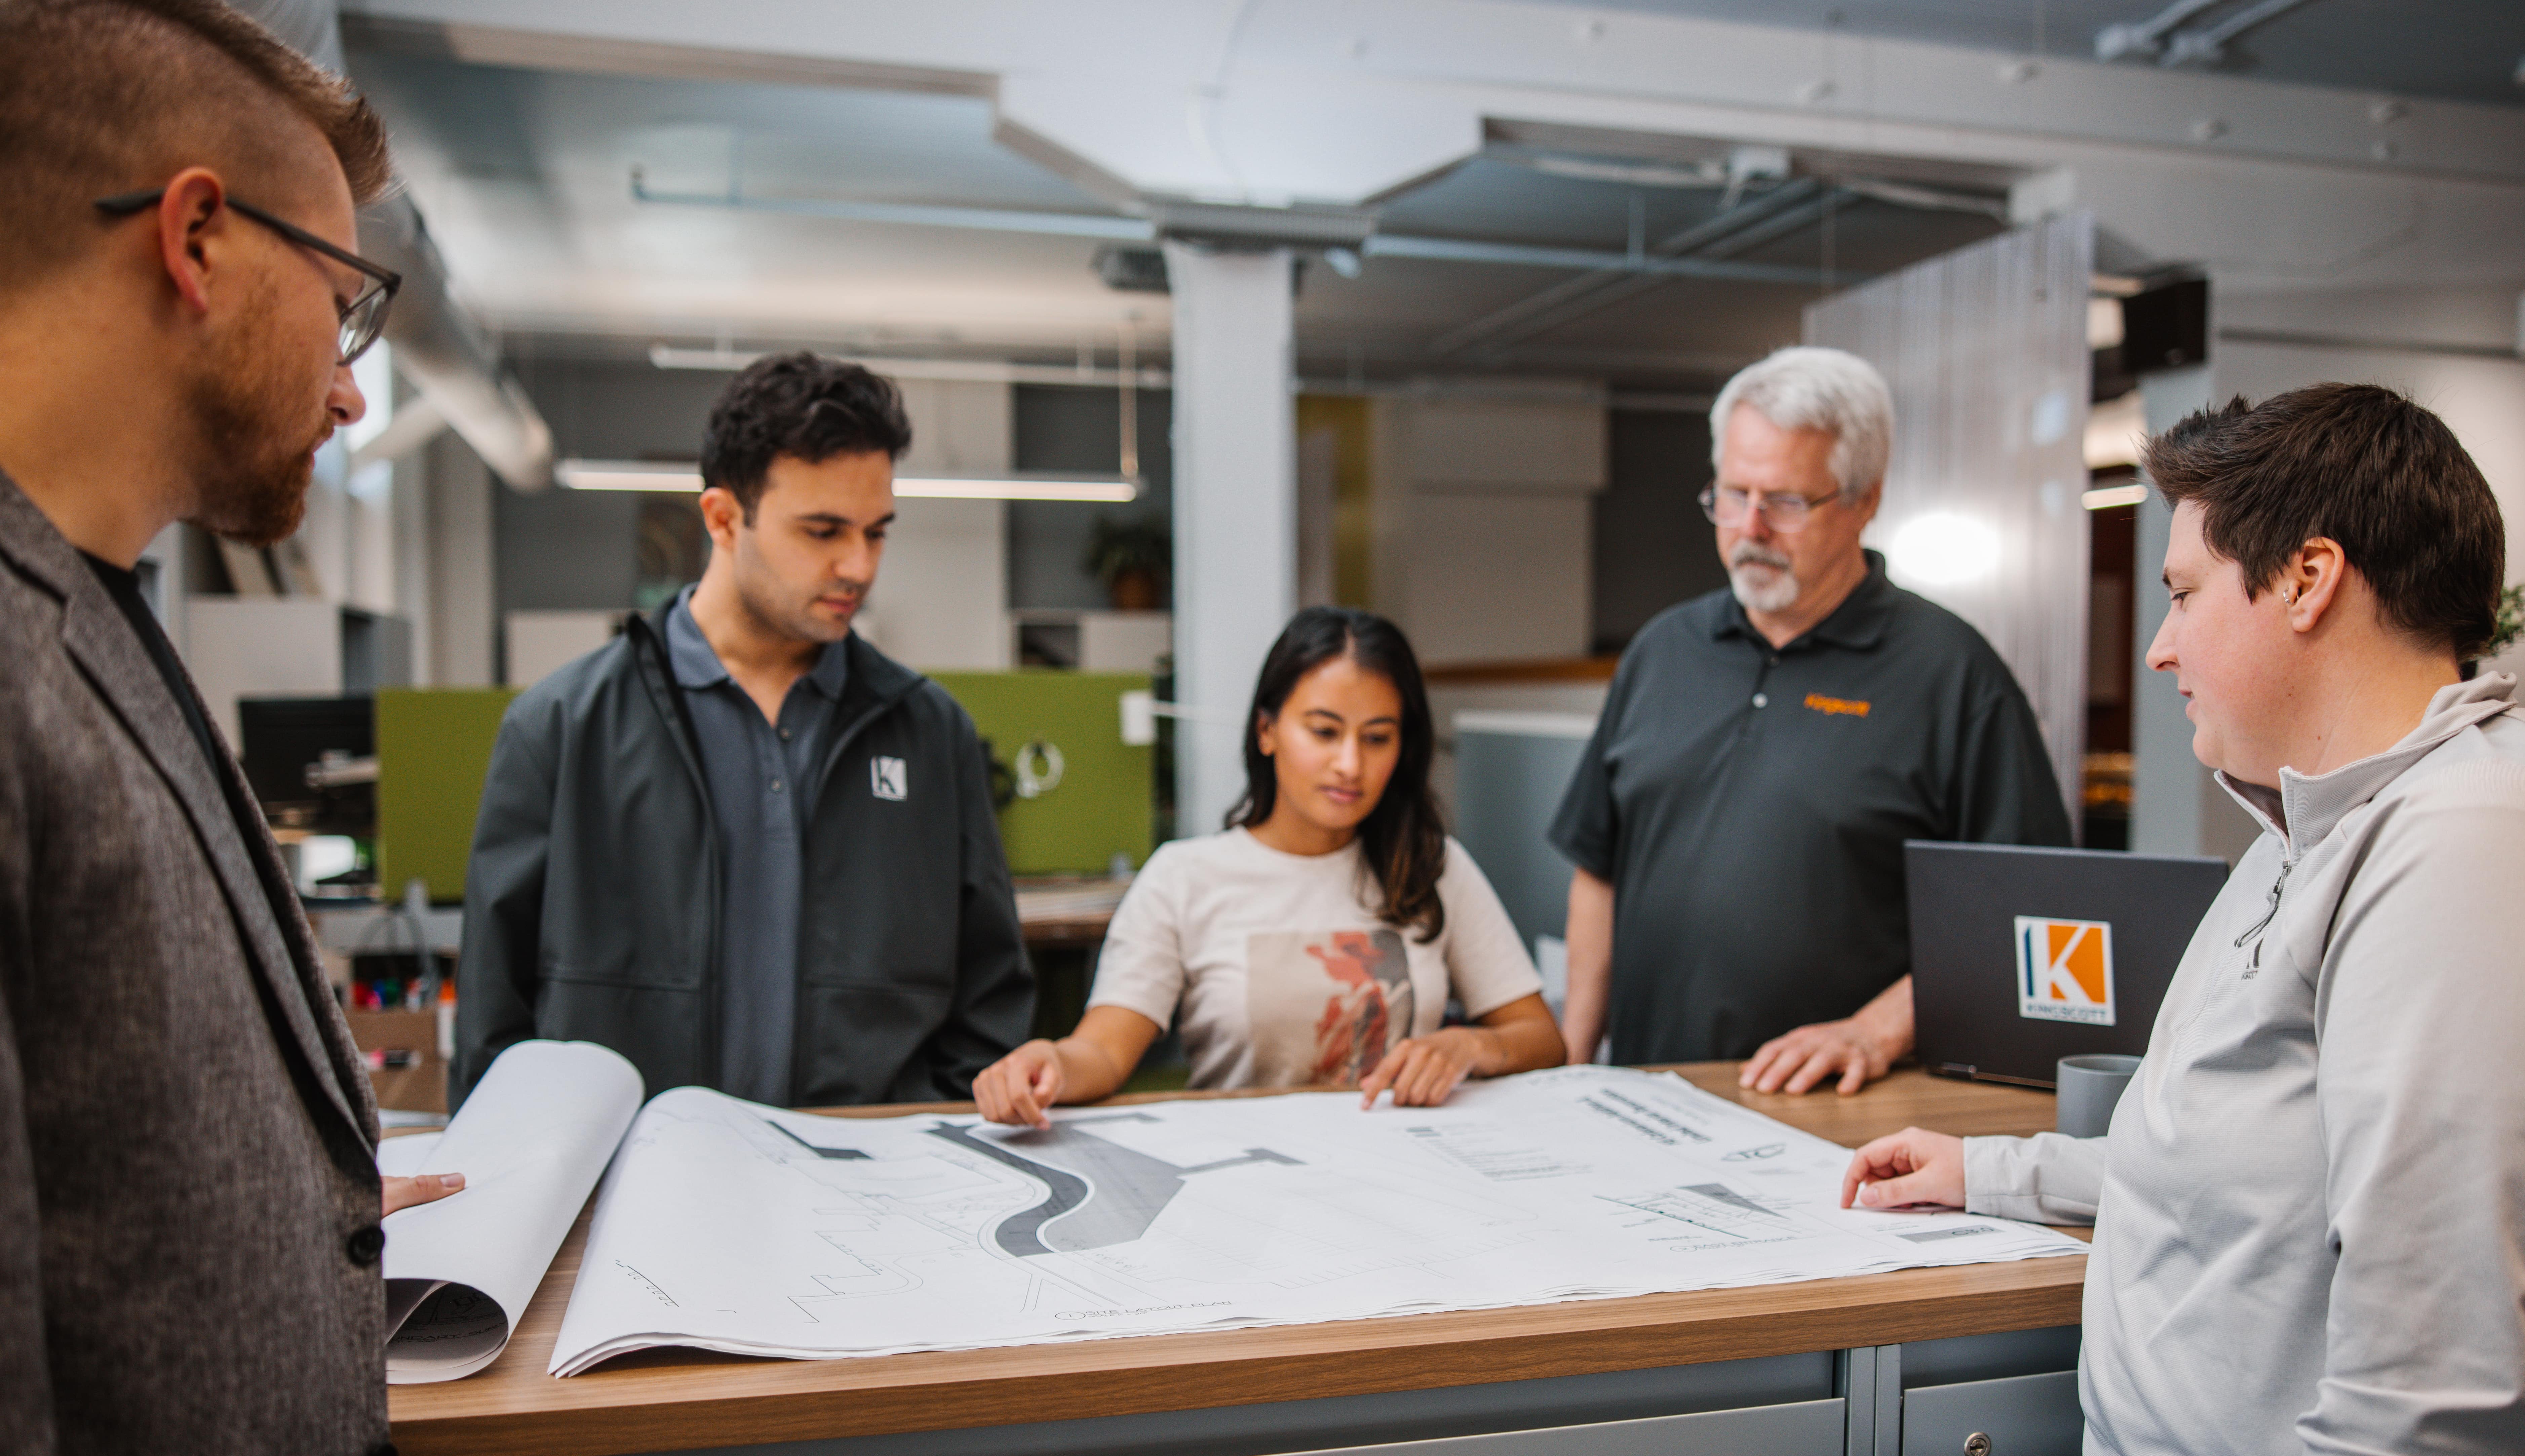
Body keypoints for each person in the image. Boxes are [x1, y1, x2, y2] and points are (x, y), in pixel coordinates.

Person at [1841, 385, 2525, 1456]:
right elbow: (2266, 1167)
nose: (2159, 649)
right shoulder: (2312, 828)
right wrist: (1996, 1169)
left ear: (2306, 579)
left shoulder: (2486, 849)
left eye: (2179, 593)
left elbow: (2438, 1393)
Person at [0, 0, 463, 1456]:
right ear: (197, 238)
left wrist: (297, 1193)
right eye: (342, 309)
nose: (354, 395)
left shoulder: (104, 625)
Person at [456, 352, 1035, 1108]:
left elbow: (990, 1008)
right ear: (724, 519)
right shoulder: (562, 729)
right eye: (823, 531)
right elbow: (494, 1029)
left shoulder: (931, 735)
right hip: (633, 1193)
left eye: (877, 532)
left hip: (869, 1196)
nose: (858, 566)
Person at [1549, 345, 2068, 1097]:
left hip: (1835, 1111)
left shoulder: (1953, 676)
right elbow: (1597, 870)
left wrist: (1876, 1030)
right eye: (1731, 494)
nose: (1751, 527)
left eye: (1786, 502)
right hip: (1647, 1093)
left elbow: (2026, 911)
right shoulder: (1662, 650)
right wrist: (1572, 1062)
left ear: (1864, 501)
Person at [975, 607, 1562, 1125]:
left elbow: (1541, 1038)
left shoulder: (1432, 867)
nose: (1350, 765)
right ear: (1267, 730)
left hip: (1409, 1176)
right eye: (1324, 732)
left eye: (1378, 738)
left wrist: (1467, 1048)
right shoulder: (1184, 877)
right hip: (1248, 1187)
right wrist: (1050, 1061)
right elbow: (1103, 1053)